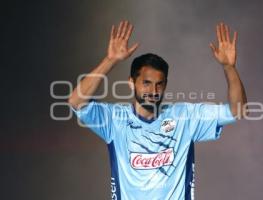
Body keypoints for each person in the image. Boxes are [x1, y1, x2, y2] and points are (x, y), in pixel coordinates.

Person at [68, 20, 248, 200]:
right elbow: (76, 101)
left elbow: (237, 110)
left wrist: (229, 68)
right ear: (131, 83)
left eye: (159, 84)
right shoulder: (115, 120)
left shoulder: (184, 117)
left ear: (165, 85)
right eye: (146, 83)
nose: (153, 91)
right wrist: (111, 60)